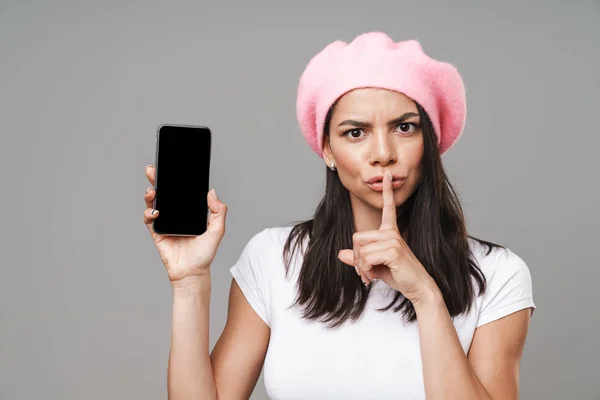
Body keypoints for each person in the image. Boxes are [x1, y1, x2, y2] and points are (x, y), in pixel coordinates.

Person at [142, 32, 536, 400]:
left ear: (430, 141)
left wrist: (425, 295)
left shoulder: (497, 273)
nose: (383, 153)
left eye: (404, 127)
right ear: (326, 150)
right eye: (355, 132)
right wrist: (190, 283)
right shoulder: (272, 258)